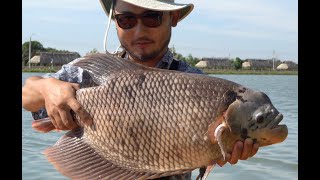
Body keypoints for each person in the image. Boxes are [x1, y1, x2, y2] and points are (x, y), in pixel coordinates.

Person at [22, 0, 259, 179]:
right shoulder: (89, 77)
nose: (138, 31)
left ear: (173, 17)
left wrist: (227, 148)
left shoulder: (198, 84)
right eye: (126, 20)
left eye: (151, 18)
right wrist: (46, 87)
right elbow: (27, 95)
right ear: (114, 20)